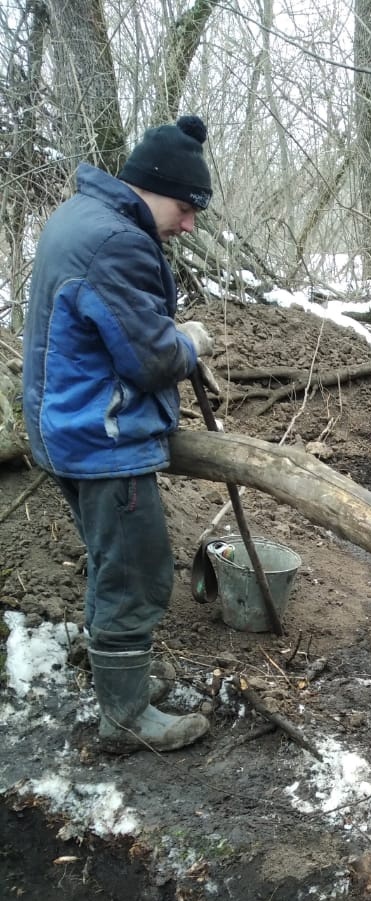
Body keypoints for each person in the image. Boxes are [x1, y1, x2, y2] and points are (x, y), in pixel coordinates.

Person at [22, 115, 216, 752]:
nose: (189, 224)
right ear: (153, 188)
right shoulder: (116, 243)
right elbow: (150, 358)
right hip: (101, 439)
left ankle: (124, 684)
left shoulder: (80, 218)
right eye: (188, 208)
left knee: (115, 564)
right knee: (135, 572)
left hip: (65, 426)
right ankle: (126, 717)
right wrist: (187, 341)